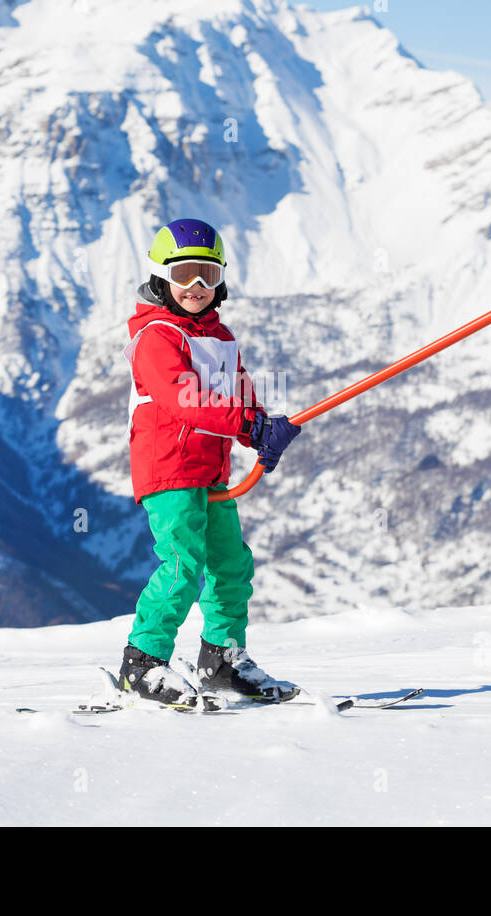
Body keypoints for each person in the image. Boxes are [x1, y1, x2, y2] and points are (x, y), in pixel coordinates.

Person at [118, 217, 301, 709]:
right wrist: (248, 421)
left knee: (231, 563)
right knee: (182, 564)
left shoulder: (220, 337)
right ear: (161, 279)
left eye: (208, 275)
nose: (196, 287)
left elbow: (238, 395)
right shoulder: (157, 336)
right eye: (184, 276)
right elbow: (185, 398)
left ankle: (221, 658)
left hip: (210, 469)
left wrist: (261, 430)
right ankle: (142, 662)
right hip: (169, 466)